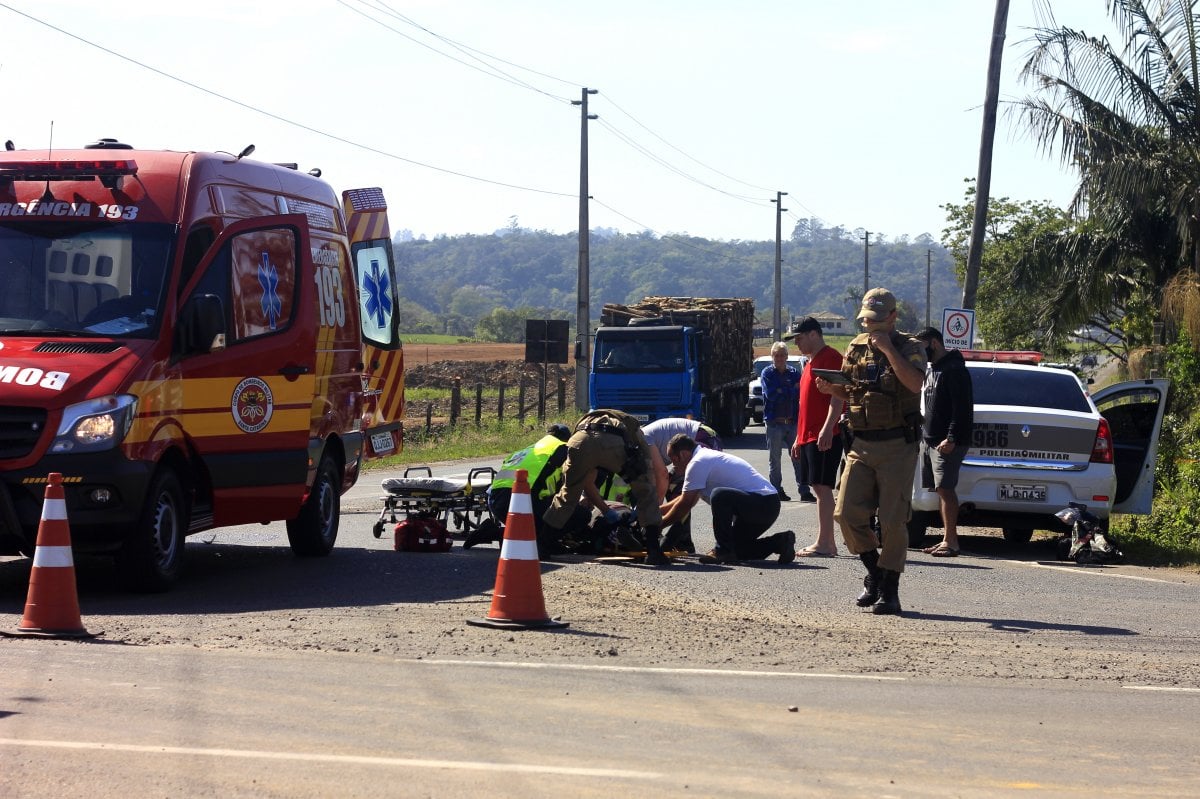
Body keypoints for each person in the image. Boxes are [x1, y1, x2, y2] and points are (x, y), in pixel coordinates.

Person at [815, 288, 926, 615]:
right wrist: (830, 387)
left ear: (893, 317)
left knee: (892, 520)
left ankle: (889, 591)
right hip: (861, 442)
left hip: (897, 445)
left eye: (877, 320)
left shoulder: (910, 346)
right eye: (867, 320)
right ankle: (875, 573)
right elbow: (850, 389)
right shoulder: (856, 346)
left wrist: (890, 350)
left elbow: (915, 384)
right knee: (846, 513)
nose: (871, 326)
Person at [543, 409, 670, 565]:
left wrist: (605, 510)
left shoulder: (586, 419)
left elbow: (586, 481)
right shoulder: (632, 425)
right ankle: (654, 552)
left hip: (579, 441)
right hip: (613, 443)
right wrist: (644, 502)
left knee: (567, 493)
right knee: (646, 492)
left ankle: (542, 544)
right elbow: (647, 466)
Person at [660, 434, 794, 564]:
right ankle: (781, 541)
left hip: (763, 503)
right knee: (738, 550)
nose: (673, 465)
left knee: (719, 495)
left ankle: (722, 551)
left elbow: (685, 504)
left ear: (683, 454)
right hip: (764, 506)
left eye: (674, 459)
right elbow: (687, 500)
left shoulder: (697, 462)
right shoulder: (702, 458)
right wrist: (657, 511)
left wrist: (657, 526)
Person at [467, 423, 586, 552]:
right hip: (522, 500)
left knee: (530, 530)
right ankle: (543, 544)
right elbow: (565, 488)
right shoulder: (562, 449)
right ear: (566, 439)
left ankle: (492, 532)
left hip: (496, 501)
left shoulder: (527, 450)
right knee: (579, 514)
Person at [785, 317, 846, 557]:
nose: (797, 344)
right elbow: (805, 405)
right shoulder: (809, 363)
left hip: (824, 434)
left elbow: (838, 396)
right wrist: (798, 437)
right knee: (817, 487)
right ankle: (826, 541)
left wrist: (828, 428)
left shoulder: (830, 358)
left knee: (822, 487)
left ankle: (825, 543)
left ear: (813, 334)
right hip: (809, 435)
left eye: (799, 338)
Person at [914, 327, 974, 558]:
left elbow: (962, 410)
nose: (920, 352)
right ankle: (945, 540)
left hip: (946, 442)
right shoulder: (933, 369)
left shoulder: (954, 369)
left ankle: (952, 542)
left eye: (922, 346)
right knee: (940, 490)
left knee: (946, 490)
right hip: (929, 440)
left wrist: (951, 438)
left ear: (935, 343)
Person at [641, 417, 723, 553]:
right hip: (707, 435)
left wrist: (654, 515)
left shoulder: (644, 438)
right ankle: (683, 541)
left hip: (703, 438)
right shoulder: (644, 439)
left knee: (678, 489)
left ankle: (680, 540)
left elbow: (662, 476)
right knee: (676, 487)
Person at [759, 340, 804, 501]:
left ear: (787, 356)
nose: (779, 358)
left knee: (798, 458)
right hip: (774, 424)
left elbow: (799, 395)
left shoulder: (794, 373)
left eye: (782, 355)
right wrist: (791, 389)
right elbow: (771, 395)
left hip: (792, 423)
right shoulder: (767, 373)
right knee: (775, 461)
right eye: (776, 355)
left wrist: (782, 390)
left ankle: (804, 490)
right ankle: (777, 491)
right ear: (772, 356)